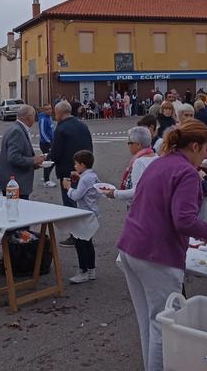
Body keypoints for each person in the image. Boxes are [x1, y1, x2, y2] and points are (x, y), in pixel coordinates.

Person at [116, 120, 207, 371]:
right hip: (155, 254)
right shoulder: (186, 173)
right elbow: (184, 221)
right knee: (164, 323)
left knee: (149, 321)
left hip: (131, 246)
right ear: (194, 146)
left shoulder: (159, 163)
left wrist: (199, 231)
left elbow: (158, 208)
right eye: (206, 149)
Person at [51, 100, 94, 247]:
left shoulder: (61, 129)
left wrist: (48, 159)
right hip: (83, 170)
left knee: (70, 203)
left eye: (55, 113)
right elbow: (90, 147)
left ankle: (75, 236)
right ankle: (85, 232)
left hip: (66, 172)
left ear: (60, 113)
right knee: (82, 202)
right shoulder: (82, 125)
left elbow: (56, 153)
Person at [60, 150, 100, 283]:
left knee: (80, 243)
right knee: (88, 242)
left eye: (76, 164)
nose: (75, 167)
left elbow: (76, 196)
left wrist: (68, 188)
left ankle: (83, 271)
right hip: (92, 213)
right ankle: (91, 270)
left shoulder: (85, 179)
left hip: (84, 214)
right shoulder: (93, 176)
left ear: (83, 165)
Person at [0, 105, 44, 200]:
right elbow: (14, 157)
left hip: (15, 182)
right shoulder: (17, 131)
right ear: (29, 117)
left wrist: (34, 164)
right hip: (15, 183)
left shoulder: (16, 128)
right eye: (34, 115)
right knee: (17, 211)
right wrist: (33, 160)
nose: (35, 118)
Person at [102, 127, 156, 207]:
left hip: (141, 207)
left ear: (138, 144)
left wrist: (114, 193)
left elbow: (136, 191)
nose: (128, 145)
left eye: (129, 143)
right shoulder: (156, 157)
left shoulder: (139, 162)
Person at [36, 104, 56, 187]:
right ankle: (46, 180)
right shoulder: (43, 119)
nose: (49, 111)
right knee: (49, 161)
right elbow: (43, 132)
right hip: (45, 144)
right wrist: (48, 142)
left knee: (51, 160)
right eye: (47, 109)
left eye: (50, 109)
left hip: (51, 142)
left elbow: (51, 130)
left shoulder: (50, 118)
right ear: (43, 111)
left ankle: (45, 177)